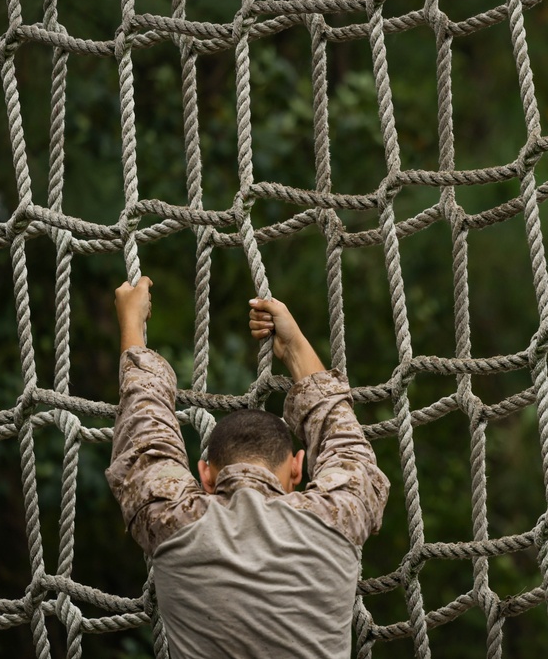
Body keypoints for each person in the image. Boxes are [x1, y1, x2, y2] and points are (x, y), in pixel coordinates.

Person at [106, 276, 389, 658]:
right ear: (298, 469)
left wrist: (132, 324)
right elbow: (339, 430)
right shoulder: (338, 515)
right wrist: (294, 347)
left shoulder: (173, 520)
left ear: (204, 474)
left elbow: (144, 430)